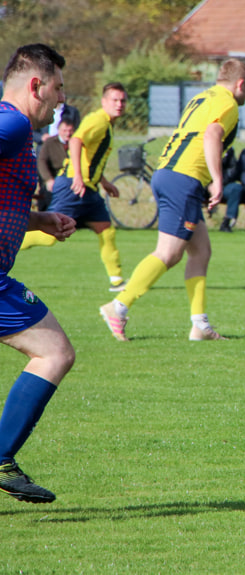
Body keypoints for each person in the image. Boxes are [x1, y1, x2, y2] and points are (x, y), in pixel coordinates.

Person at [99, 58, 245, 341]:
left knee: (200, 251)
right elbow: (212, 135)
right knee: (168, 253)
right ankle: (119, 306)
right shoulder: (228, 102)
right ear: (240, 84)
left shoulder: (201, 97)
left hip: (170, 173)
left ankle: (199, 324)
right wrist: (218, 179)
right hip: (184, 179)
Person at [0, 43, 76, 504]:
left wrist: (39, 220)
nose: (60, 100)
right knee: (54, 352)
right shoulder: (10, 124)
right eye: (58, 88)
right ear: (36, 85)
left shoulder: (15, 131)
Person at [20, 83, 128, 290]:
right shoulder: (98, 120)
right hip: (74, 186)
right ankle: (7, 239)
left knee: (106, 230)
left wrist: (104, 182)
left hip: (88, 188)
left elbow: (91, 156)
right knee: (50, 231)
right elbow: (76, 141)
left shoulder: (106, 124)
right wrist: (77, 176)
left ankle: (116, 280)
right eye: (114, 100)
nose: (119, 104)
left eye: (122, 100)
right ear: (103, 102)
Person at [34, 117, 75, 211]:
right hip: (54, 177)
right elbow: (42, 161)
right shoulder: (50, 142)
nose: (67, 133)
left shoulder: (76, 143)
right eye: (65, 130)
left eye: (70, 130)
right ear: (59, 130)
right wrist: (48, 179)